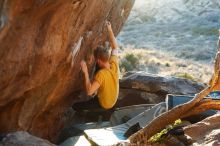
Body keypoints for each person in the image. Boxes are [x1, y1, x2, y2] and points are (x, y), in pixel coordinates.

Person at [73, 21, 119, 110]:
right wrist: (109, 29)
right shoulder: (114, 63)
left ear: (98, 60)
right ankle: (98, 86)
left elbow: (89, 92)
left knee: (76, 107)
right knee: (99, 71)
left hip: (105, 104)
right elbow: (115, 47)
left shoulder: (101, 74)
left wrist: (85, 72)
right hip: (113, 99)